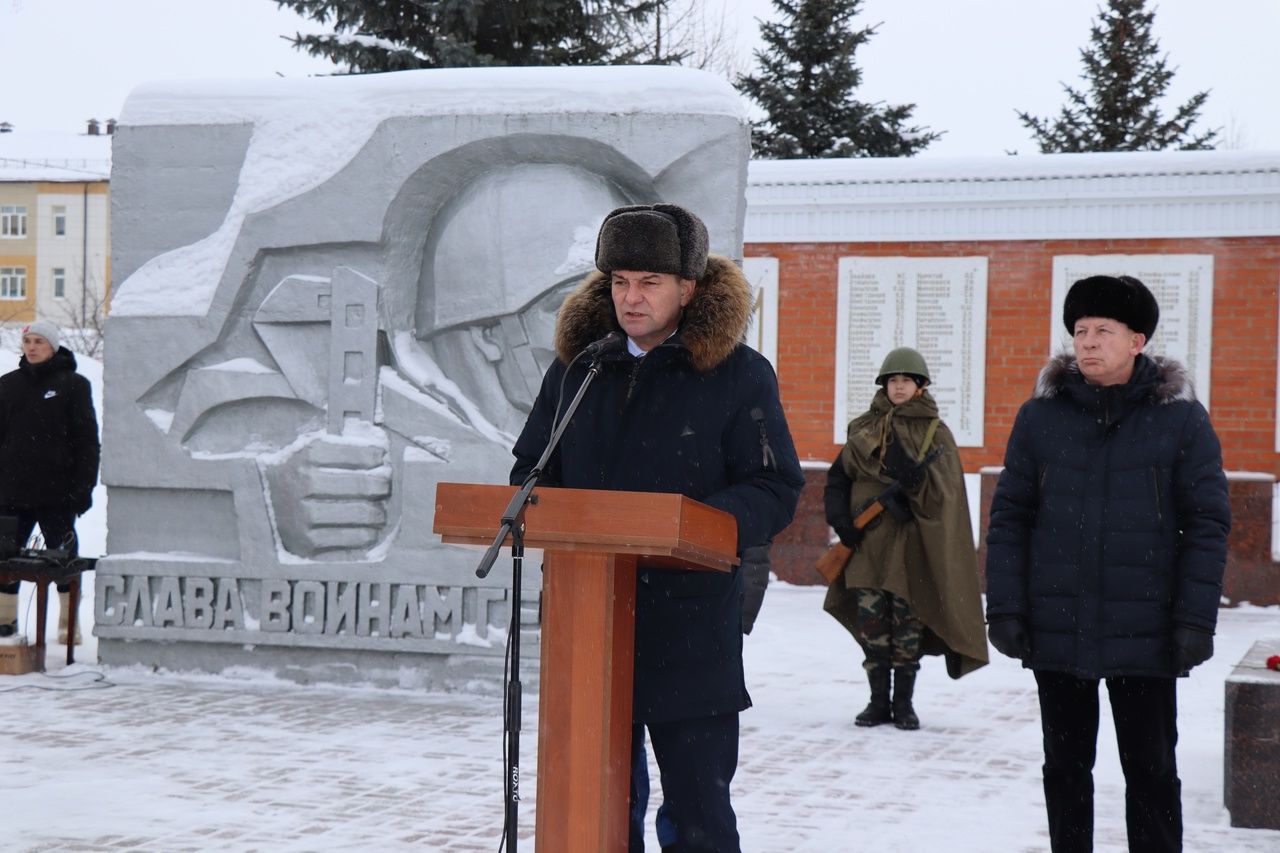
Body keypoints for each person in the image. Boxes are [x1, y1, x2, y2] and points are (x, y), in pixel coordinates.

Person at [510, 203, 804, 852]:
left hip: (690, 627)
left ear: (688, 288)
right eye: (619, 282)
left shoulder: (737, 375)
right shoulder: (579, 369)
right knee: (603, 810)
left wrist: (692, 526)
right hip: (589, 625)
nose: (630, 297)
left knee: (698, 815)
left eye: (648, 282)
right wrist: (540, 504)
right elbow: (532, 467)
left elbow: (775, 485)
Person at [985, 275, 1230, 852]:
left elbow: (1206, 525)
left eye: (1103, 331)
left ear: (1137, 340)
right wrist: (1007, 607)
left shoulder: (1180, 421)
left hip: (1146, 632)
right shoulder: (1040, 419)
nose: (1087, 343)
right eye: (1079, 331)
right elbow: (1010, 518)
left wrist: (1195, 620)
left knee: (1150, 773)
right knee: (1065, 772)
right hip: (1059, 628)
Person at [821, 347, 988, 730]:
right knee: (872, 627)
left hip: (912, 550)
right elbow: (838, 478)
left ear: (920, 386)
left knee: (907, 628)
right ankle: (877, 702)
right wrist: (842, 522)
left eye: (906, 381)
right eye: (893, 381)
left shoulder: (935, 433)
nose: (898, 387)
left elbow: (946, 496)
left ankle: (904, 705)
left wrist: (915, 492)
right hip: (865, 546)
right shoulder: (863, 427)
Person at [0, 320, 100, 643]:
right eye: (28, 341)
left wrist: (82, 489)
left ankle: (68, 626)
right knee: (5, 561)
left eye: (39, 341)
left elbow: (87, 443)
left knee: (64, 561)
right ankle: (5, 624)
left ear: (53, 346)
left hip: (58, 495)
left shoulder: (74, 385)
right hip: (12, 493)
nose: (31, 347)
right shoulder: (7, 386)